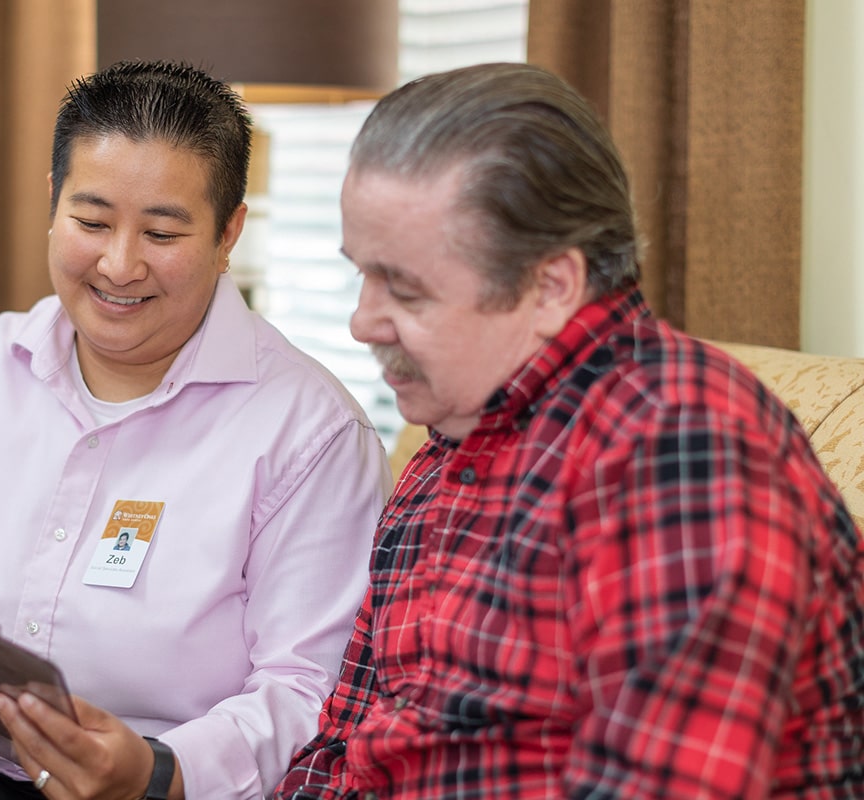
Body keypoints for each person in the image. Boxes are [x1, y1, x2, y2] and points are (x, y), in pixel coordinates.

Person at [0, 60, 391, 800]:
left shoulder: (312, 432)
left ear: (229, 230)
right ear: (53, 201)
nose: (119, 264)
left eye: (163, 232)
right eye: (92, 221)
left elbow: (313, 691)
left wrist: (154, 771)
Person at [274, 62, 864, 799]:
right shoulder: (451, 442)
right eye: (361, 274)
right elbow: (344, 746)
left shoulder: (680, 445)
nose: (362, 321)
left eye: (405, 288)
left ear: (551, 285)